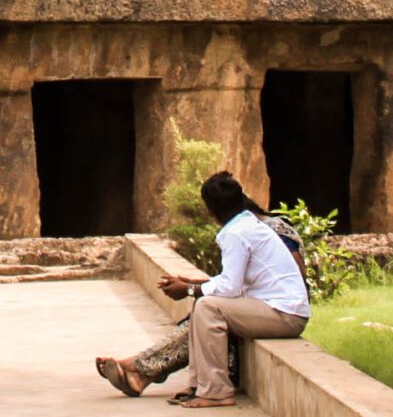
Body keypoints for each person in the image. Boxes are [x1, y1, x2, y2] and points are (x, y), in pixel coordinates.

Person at [94, 171, 309, 404]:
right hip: (275, 308)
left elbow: (230, 287)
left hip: (285, 314)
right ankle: (196, 384)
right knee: (203, 305)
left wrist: (188, 290)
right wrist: (192, 284)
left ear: (210, 211)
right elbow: (233, 281)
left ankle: (215, 391)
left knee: (207, 307)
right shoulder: (248, 224)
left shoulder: (237, 233)